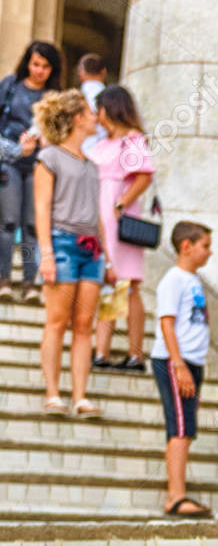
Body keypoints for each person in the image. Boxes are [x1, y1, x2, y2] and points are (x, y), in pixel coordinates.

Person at [33, 88, 112, 419]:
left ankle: (80, 396)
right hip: (61, 243)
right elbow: (41, 207)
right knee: (56, 322)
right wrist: (46, 254)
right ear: (78, 118)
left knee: (84, 326)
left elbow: (97, 215)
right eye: (91, 112)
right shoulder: (48, 157)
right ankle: (53, 393)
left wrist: (107, 257)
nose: (96, 117)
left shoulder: (92, 166)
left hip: (91, 250)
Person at [88, 84, 155, 374]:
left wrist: (120, 204)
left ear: (108, 109)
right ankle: (101, 350)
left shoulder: (132, 140)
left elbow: (143, 177)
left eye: (98, 108)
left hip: (120, 217)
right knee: (110, 282)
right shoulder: (102, 145)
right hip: (99, 217)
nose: (96, 115)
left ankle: (135, 354)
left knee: (128, 285)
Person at [150, 220, 213, 518]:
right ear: (186, 247)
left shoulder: (192, 280)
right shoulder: (173, 279)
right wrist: (179, 364)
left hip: (192, 362)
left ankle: (178, 493)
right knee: (180, 427)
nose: (209, 253)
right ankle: (176, 497)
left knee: (186, 428)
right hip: (176, 361)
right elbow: (166, 322)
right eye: (205, 246)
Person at [0, 38, 63, 303]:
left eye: (45, 66)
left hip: (39, 166)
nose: (39, 71)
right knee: (7, 222)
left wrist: (47, 142)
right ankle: (3, 278)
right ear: (28, 62)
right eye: (36, 64)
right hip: (9, 163)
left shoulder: (54, 97)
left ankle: (30, 281)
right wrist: (17, 150)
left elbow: (61, 135)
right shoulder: (10, 86)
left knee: (32, 226)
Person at [77, 54, 107, 153]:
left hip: (77, 155)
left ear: (81, 73)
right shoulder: (117, 99)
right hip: (107, 156)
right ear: (104, 71)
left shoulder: (73, 99)